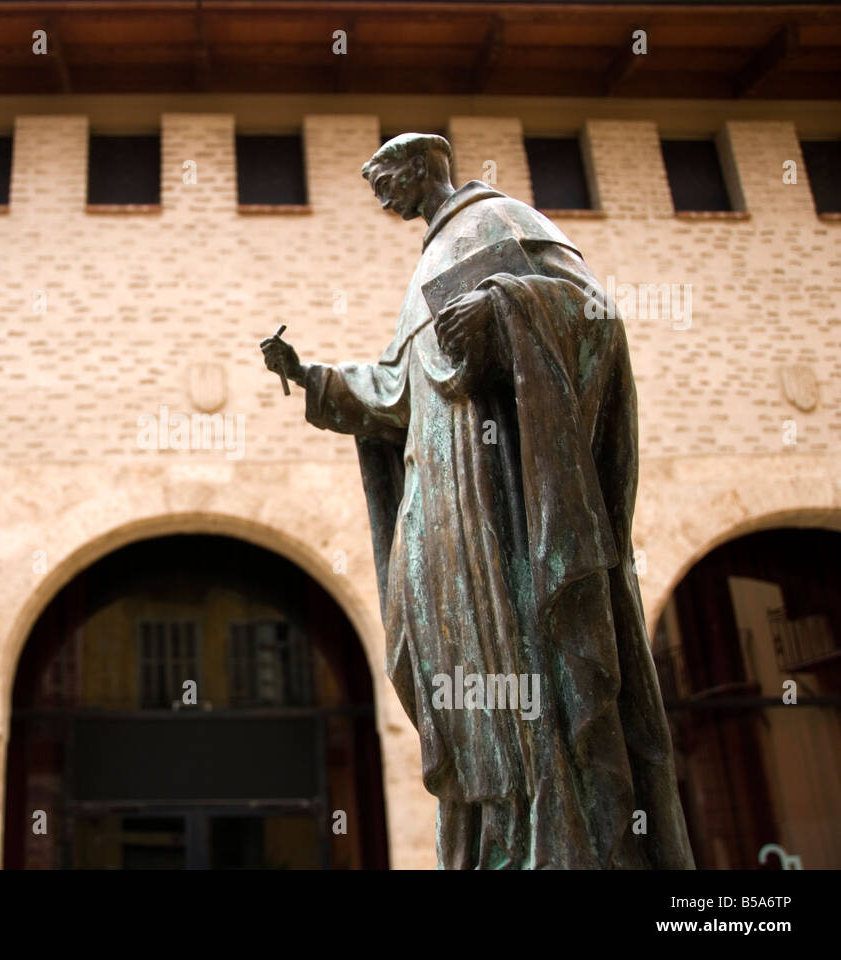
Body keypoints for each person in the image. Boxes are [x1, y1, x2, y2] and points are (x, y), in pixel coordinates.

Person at [260, 133, 694, 869]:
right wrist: (311, 376)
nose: (382, 198)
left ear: (421, 169)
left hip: (503, 507)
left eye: (385, 181)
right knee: (459, 683)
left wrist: (505, 310)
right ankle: (496, 844)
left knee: (529, 678)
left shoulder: (500, 223)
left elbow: (594, 316)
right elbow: (403, 390)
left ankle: (558, 842)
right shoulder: (428, 260)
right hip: (442, 506)